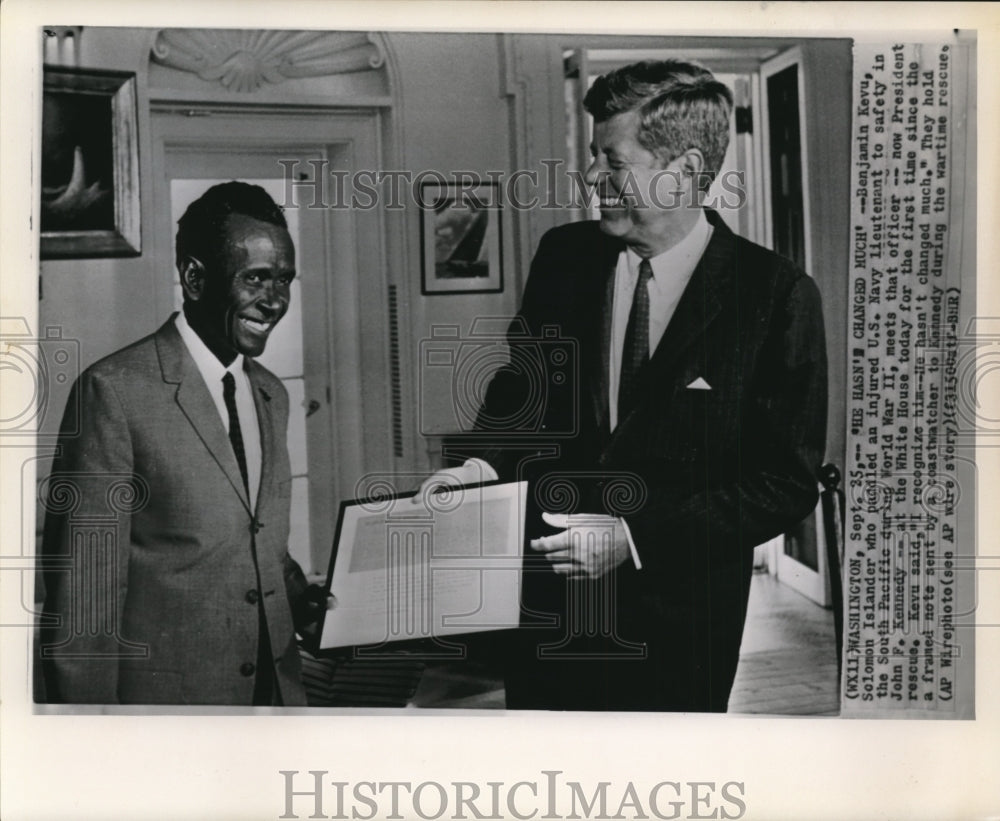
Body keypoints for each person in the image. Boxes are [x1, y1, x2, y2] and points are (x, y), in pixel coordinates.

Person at [422, 60, 828, 711]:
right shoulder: (563, 257)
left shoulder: (776, 297)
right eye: (592, 156)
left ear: (686, 171)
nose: (590, 176)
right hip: (547, 620)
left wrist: (633, 534)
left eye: (613, 159)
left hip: (677, 634)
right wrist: (476, 465)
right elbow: (522, 387)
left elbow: (783, 482)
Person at [40, 181, 328, 706]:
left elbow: (249, 537)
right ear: (195, 279)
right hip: (168, 714)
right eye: (257, 279)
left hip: (277, 699)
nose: (276, 300)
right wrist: (82, 743)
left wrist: (303, 597)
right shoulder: (114, 392)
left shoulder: (270, 394)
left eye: (285, 279)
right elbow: (83, 603)